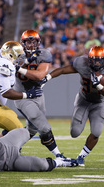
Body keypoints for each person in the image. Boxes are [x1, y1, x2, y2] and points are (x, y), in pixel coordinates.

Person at [39, 46, 104, 166]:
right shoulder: (82, 63)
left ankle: (81, 157)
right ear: (89, 60)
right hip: (83, 100)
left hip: (99, 103)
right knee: (75, 132)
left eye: (100, 60)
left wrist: (99, 86)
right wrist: (47, 77)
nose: (97, 63)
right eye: (94, 60)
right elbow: (62, 70)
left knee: (96, 132)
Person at [14, 30, 67, 160]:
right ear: (23, 43)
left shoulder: (44, 54)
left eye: (34, 41)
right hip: (22, 96)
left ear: (38, 42)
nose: (31, 44)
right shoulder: (14, 54)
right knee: (43, 126)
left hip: (38, 95)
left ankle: (8, 143)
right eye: (28, 41)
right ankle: (58, 156)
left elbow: (39, 75)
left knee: (31, 130)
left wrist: (19, 68)